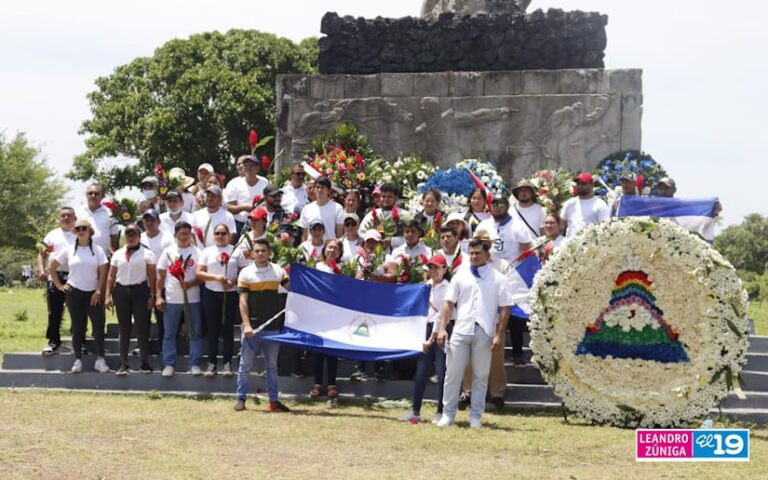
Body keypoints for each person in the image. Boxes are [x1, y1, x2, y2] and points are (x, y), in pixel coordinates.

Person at [436, 238, 513, 429]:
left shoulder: (499, 278)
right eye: (471, 253)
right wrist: (442, 328)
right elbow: (448, 303)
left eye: (478, 253)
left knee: (481, 374)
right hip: (461, 329)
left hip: (484, 330)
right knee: (452, 374)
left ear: (487, 255)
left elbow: (505, 308)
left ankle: (476, 415)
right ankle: (448, 414)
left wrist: (499, 334)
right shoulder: (460, 276)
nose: (474, 256)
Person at [234, 238, 291, 412]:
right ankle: (241, 399)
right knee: (245, 366)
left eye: (263, 251)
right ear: (252, 253)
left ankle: (273, 401)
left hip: (273, 328)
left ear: (269, 252)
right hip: (253, 329)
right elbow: (243, 301)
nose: (260, 254)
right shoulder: (245, 273)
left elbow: (294, 290)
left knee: (272, 367)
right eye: (257, 251)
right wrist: (247, 325)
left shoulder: (279, 272)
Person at [48, 218, 110, 374]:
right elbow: (52, 267)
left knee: (98, 326)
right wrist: (59, 285)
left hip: (93, 293)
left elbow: (103, 272)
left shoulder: (98, 250)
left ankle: (100, 359)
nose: (81, 231)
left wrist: (98, 291)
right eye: (78, 229)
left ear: (90, 231)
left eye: (84, 228)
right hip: (74, 292)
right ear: (75, 231)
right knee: (77, 327)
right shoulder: (69, 249)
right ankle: (77, 360)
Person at [401, 254, 453, 425]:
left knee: (441, 372)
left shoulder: (447, 287)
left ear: (444, 269)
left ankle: (441, 411)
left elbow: (442, 314)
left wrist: (432, 338)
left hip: (442, 330)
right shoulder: (426, 286)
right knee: (422, 371)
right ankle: (415, 410)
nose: (433, 271)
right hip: (426, 329)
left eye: (436, 267)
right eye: (430, 267)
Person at [104, 223, 156, 375]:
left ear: (139, 237)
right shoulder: (118, 254)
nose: (131, 237)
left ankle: (144, 361)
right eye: (128, 234)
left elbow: (152, 276)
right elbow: (111, 276)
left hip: (140, 291)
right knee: (124, 327)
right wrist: (107, 295)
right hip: (121, 291)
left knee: (141, 326)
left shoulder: (147, 254)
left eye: (134, 234)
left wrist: (152, 295)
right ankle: (123, 362)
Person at [155, 221, 203, 377]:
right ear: (175, 235)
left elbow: (202, 276)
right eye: (181, 234)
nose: (184, 237)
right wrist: (158, 296)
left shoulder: (197, 252)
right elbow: (161, 276)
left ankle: (194, 363)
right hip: (172, 298)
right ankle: (169, 363)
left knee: (194, 332)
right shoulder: (168, 252)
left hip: (193, 298)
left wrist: (191, 283)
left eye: (187, 234)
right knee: (169, 333)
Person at [350, 229, 398, 381]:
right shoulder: (356, 259)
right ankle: (359, 369)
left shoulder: (388, 257)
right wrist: (357, 276)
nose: (370, 244)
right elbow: (349, 277)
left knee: (379, 334)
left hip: (381, 302)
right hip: (360, 301)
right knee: (359, 334)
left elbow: (392, 277)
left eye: (374, 242)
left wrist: (372, 276)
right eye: (368, 242)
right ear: (364, 244)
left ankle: (380, 369)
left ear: (380, 244)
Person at [196, 223, 239, 377]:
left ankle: (227, 363)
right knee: (212, 329)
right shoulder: (207, 251)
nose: (220, 236)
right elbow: (199, 273)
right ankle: (212, 363)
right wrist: (216, 277)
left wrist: (232, 282)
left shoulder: (236, 249)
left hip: (230, 293)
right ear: (213, 235)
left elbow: (242, 271)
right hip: (211, 292)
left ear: (228, 235)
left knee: (227, 329)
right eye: (217, 233)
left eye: (223, 233)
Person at [37, 206, 77, 355]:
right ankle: (53, 341)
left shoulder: (79, 234)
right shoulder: (51, 235)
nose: (66, 218)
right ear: (59, 218)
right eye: (63, 216)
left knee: (78, 311)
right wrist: (41, 270)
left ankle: (79, 341)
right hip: (54, 276)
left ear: (75, 218)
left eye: (69, 215)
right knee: (54, 311)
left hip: (75, 276)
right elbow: (41, 254)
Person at [310, 239, 344, 399]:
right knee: (317, 350)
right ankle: (317, 384)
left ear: (340, 252)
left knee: (332, 350)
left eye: (335, 248)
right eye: (329, 247)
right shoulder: (316, 266)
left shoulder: (343, 268)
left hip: (335, 313)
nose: (332, 250)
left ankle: (332, 384)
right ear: (324, 249)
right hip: (317, 313)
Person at [140, 209, 172, 342]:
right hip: (143, 283)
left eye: (152, 220)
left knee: (162, 318)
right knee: (142, 318)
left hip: (162, 283)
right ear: (142, 222)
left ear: (158, 222)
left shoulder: (168, 238)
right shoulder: (139, 237)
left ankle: (163, 347)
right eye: (146, 220)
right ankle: (142, 346)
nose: (149, 223)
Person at [477, 196, 535, 264]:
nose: (497, 207)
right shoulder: (483, 226)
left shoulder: (519, 226)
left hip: (512, 271)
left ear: (507, 206)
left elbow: (528, 253)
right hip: (490, 271)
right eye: (494, 204)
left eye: (500, 204)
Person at [227, 155, 269, 237]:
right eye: (246, 164)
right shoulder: (233, 183)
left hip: (260, 224)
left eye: (252, 164)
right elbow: (229, 208)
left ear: (258, 168)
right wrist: (246, 208)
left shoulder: (264, 182)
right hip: (240, 224)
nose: (248, 167)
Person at [561, 172, 610, 238]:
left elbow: (605, 227)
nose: (580, 186)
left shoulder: (600, 205)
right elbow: (561, 226)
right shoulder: (569, 203)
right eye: (578, 184)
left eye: (583, 184)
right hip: (570, 245)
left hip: (590, 245)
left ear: (592, 185)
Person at [76, 182, 119, 256]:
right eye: (90, 193)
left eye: (96, 193)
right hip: (82, 256)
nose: (93, 196)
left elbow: (114, 237)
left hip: (104, 258)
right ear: (86, 195)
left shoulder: (110, 214)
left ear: (102, 196)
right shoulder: (77, 212)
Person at [359, 183, 405, 251]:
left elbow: (411, 237)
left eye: (389, 197)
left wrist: (392, 241)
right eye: (383, 196)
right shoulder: (372, 215)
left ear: (395, 197)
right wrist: (374, 237)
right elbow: (361, 232)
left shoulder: (404, 215)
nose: (386, 199)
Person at [299, 176, 344, 241]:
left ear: (328, 190)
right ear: (314, 189)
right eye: (317, 187)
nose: (319, 190)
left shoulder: (337, 208)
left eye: (322, 187)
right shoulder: (306, 209)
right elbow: (304, 235)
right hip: (312, 249)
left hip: (329, 249)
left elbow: (339, 234)